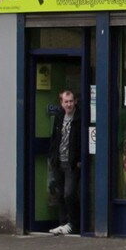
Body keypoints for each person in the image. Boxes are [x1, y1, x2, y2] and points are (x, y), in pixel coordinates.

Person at [48, 88, 80, 235]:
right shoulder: (59, 116)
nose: (69, 104)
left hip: (72, 163)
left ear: (75, 101)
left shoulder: (79, 117)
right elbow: (55, 138)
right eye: (66, 102)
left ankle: (73, 223)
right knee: (60, 194)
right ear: (61, 103)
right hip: (59, 161)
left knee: (69, 193)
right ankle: (62, 223)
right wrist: (52, 157)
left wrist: (79, 160)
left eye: (71, 101)